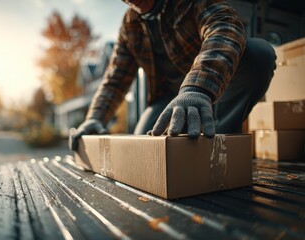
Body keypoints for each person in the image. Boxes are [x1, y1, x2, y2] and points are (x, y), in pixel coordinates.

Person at [70, 0, 276, 150]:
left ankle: (219, 143)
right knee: (143, 151)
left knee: (259, 53)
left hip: (212, 89)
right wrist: (95, 118)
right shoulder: (129, 25)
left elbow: (225, 27)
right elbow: (115, 80)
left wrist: (197, 88)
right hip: (168, 100)